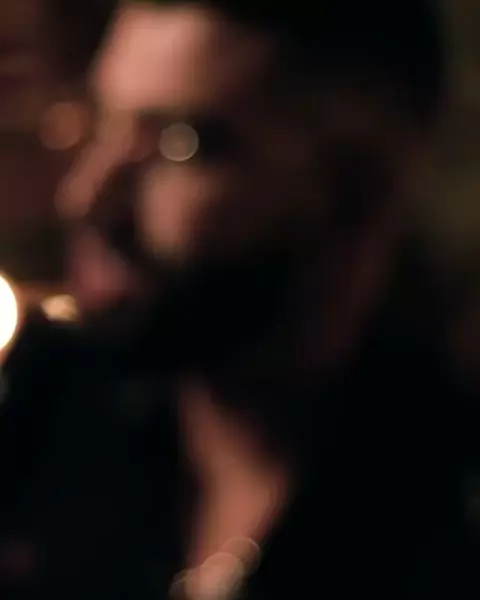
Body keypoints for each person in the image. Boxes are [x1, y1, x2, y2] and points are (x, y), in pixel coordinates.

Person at [3, 0, 479, 598]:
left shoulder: (446, 525)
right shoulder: (46, 419)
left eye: (183, 144)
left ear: (361, 184)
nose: (87, 195)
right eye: (102, 123)